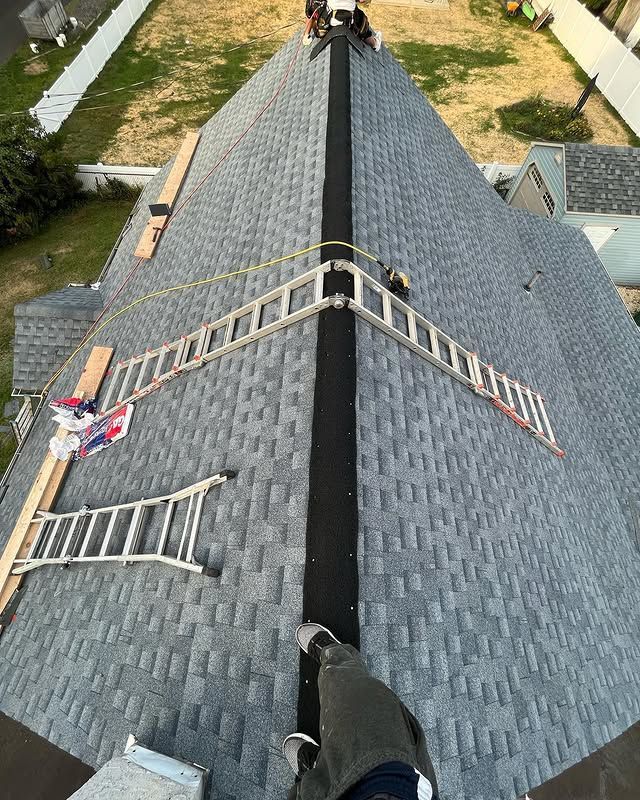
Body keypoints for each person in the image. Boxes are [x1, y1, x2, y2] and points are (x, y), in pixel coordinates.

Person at [283, 623, 440, 800]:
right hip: (394, 780)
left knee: (311, 790)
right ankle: (334, 654)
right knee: (352, 696)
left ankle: (320, 769)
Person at [305, 0, 383, 52]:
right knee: (363, 25)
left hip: (329, 22)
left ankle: (306, 36)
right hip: (351, 23)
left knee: (311, 4)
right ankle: (375, 44)